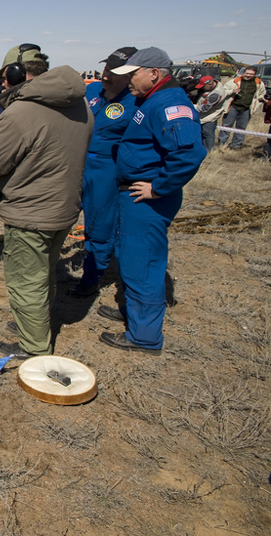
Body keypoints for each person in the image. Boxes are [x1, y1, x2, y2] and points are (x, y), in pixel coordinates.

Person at [0, 49, 93, 359]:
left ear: (19, 75)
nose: (2, 84)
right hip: (65, 207)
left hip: (30, 211)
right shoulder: (80, 104)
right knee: (44, 272)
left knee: (26, 281)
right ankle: (34, 325)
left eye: (4, 78)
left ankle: (34, 348)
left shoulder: (21, 113)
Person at [99, 47, 205, 355]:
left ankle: (144, 336)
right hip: (133, 195)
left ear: (154, 74)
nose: (128, 81)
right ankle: (134, 314)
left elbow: (188, 154)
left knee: (142, 263)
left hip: (147, 200)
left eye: (133, 75)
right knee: (131, 257)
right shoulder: (152, 99)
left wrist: (158, 188)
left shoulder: (170, 103)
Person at [68, 47, 137, 298]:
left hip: (106, 172)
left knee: (99, 226)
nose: (107, 75)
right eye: (106, 69)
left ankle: (91, 277)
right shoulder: (92, 91)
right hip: (75, 163)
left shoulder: (136, 101)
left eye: (115, 72)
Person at [218, 66, 267, 150]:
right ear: (244, 73)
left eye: (251, 74)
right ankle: (222, 145)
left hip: (247, 109)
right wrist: (233, 91)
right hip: (232, 107)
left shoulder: (259, 84)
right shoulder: (233, 82)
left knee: (241, 128)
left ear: (255, 75)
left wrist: (259, 101)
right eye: (247, 73)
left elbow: (262, 94)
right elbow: (223, 91)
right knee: (226, 126)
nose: (248, 75)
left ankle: (236, 146)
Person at [193, 75, 231, 152]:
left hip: (209, 117)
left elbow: (204, 109)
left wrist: (190, 106)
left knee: (207, 134)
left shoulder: (215, 94)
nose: (202, 88)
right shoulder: (216, 84)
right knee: (203, 133)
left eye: (203, 86)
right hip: (204, 116)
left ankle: (208, 151)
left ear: (210, 84)